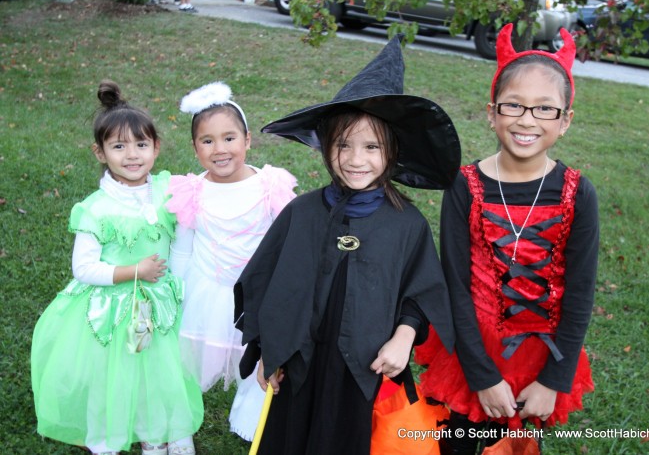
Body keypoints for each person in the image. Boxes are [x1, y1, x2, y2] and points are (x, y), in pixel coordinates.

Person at [233, 36, 461, 455]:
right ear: (326, 147)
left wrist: (403, 338)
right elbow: (269, 283)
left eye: (371, 147)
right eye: (343, 145)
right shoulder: (302, 213)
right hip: (300, 365)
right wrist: (270, 350)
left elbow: (421, 292)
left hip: (362, 371)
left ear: (392, 151)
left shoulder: (406, 225)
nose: (356, 159)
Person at [415, 23, 598, 454]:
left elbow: (581, 295)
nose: (527, 120)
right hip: (471, 351)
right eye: (513, 105)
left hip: (543, 358)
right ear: (492, 112)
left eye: (544, 109)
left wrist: (554, 379)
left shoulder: (578, 193)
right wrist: (481, 376)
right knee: (457, 444)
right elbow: (455, 286)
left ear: (565, 120)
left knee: (516, 447)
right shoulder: (464, 187)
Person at [31, 80, 203, 455]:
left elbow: (183, 239)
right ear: (100, 152)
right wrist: (133, 271)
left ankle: (159, 432)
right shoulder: (96, 208)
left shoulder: (167, 191)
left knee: (159, 370)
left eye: (142, 145)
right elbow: (84, 268)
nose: (132, 155)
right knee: (119, 372)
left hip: (156, 305)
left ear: (156, 147)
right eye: (119, 146)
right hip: (114, 309)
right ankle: (112, 434)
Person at [166, 82, 297, 440]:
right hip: (205, 291)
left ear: (248, 140)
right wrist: (175, 294)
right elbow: (182, 249)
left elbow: (287, 244)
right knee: (187, 362)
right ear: (195, 149)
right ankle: (178, 429)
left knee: (257, 360)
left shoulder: (270, 186)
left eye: (229, 138)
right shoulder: (193, 191)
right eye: (207, 141)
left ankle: (251, 424)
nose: (219, 149)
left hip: (257, 296)